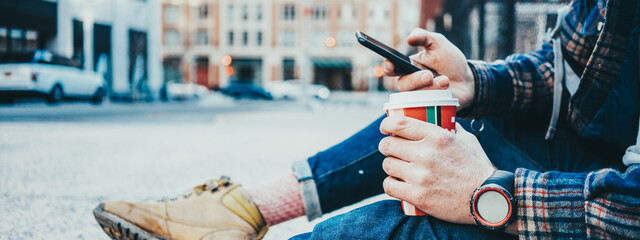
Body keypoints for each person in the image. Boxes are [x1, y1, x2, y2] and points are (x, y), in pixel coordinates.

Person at [93, 0, 640, 239]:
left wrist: (494, 197)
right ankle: (243, 210)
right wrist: (473, 82)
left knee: (440, 217)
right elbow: (569, 68)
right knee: (455, 121)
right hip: (602, 158)